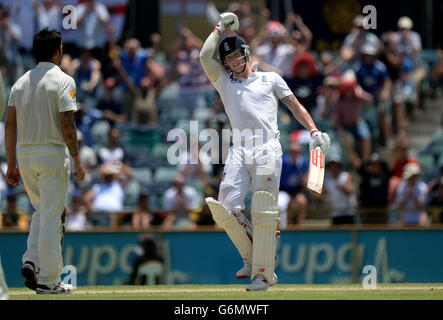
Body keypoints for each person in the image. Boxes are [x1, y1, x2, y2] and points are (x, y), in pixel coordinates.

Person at [199, 12, 330, 291]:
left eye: (236, 56)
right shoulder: (224, 82)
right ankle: (252, 256)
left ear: (246, 54)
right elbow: (203, 56)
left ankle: (262, 275)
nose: (233, 62)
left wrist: (314, 131)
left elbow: (295, 106)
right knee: (225, 209)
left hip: (268, 147)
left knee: (263, 209)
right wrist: (220, 28)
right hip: (239, 148)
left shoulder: (271, 79)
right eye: (228, 60)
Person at [5, 28, 85, 294]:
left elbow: (10, 125)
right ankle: (49, 281)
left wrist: (11, 164)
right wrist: (77, 159)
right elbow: (67, 123)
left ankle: (32, 259)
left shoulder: (19, 82)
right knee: (53, 216)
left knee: (43, 212)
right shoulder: (64, 80)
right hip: (51, 154)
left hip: (25, 156)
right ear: (57, 51)